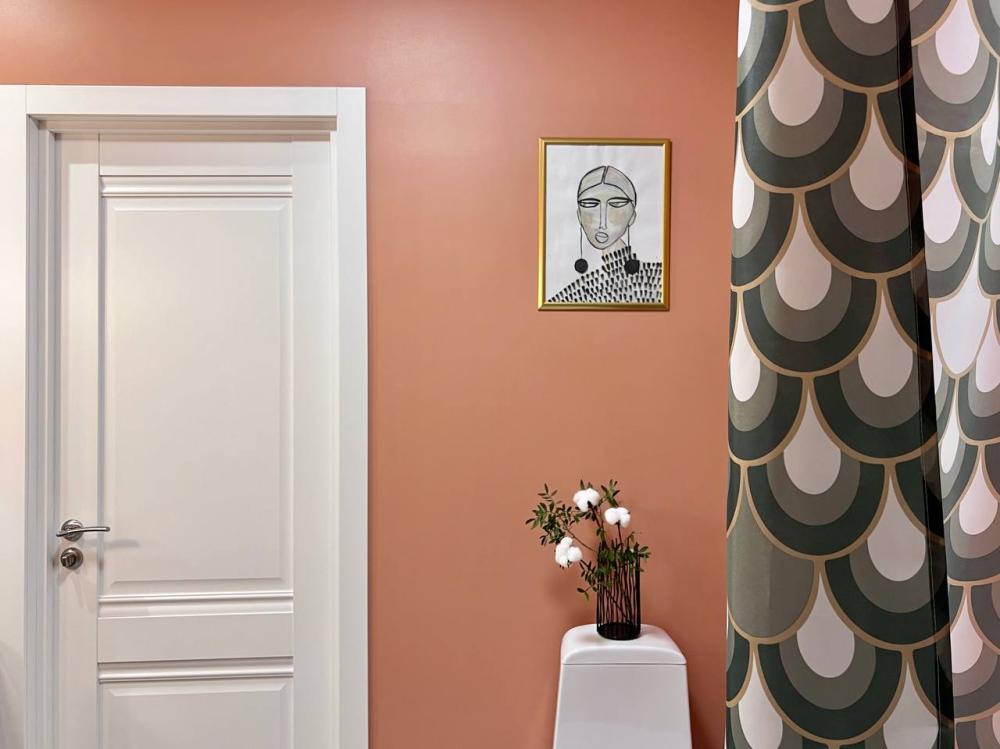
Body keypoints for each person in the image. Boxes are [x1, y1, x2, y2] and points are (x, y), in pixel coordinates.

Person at [548, 165, 663, 305]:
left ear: (632, 216)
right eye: (590, 204)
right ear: (579, 215)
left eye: (616, 204)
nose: (602, 222)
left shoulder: (658, 280)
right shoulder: (568, 295)